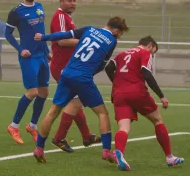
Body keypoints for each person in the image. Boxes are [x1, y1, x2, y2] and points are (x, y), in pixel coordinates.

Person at [32, 16, 129, 164]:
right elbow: (102, 65)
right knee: (103, 113)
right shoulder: (112, 41)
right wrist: (88, 74)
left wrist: (44, 37)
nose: (119, 36)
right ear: (116, 30)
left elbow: (64, 35)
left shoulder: (89, 29)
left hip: (66, 73)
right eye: (120, 33)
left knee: (52, 112)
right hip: (83, 78)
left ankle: (39, 148)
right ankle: (107, 152)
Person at [104, 36, 184, 171]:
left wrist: (117, 84)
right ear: (150, 46)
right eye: (154, 52)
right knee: (158, 120)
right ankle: (169, 157)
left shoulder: (123, 54)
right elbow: (146, 73)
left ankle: (119, 154)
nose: (152, 55)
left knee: (124, 127)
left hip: (118, 94)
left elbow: (108, 68)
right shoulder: (144, 52)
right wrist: (161, 96)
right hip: (136, 92)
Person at [49, 0, 100, 152]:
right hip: (63, 67)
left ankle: (86, 136)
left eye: (74, 1)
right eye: (69, 0)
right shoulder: (60, 17)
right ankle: (59, 138)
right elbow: (63, 41)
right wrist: (85, 41)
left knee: (76, 101)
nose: (72, 3)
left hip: (69, 67)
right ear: (61, 2)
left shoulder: (67, 17)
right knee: (75, 102)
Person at [4, 0, 50, 144]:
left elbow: (41, 31)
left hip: (42, 57)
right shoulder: (16, 12)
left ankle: (32, 126)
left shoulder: (40, 7)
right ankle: (13, 126)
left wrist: (47, 52)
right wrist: (20, 49)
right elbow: (7, 34)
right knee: (32, 92)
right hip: (29, 57)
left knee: (44, 93)